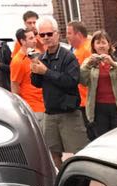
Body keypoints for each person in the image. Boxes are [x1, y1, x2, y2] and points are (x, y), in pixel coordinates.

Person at [29, 16, 87, 166]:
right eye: (42, 35)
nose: (46, 37)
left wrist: (46, 72)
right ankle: (62, 178)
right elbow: (37, 84)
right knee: (52, 154)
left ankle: (79, 180)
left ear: (57, 34)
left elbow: (71, 81)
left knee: (78, 155)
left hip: (69, 113)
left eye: (49, 34)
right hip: (50, 113)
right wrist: (34, 70)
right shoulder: (41, 57)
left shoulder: (68, 57)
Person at [80, 31, 117, 137]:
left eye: (104, 42)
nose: (101, 46)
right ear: (94, 46)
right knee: (103, 138)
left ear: (109, 45)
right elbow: (82, 80)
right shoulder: (89, 63)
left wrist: (113, 63)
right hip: (98, 108)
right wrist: (88, 64)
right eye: (98, 43)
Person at [10, 26, 45, 131]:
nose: (35, 40)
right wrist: (21, 109)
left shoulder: (37, 53)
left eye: (34, 37)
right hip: (33, 108)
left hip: (45, 104)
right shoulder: (18, 61)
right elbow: (15, 87)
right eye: (31, 38)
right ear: (22, 41)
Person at [66, 18, 90, 132]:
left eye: (69, 33)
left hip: (86, 100)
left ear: (79, 35)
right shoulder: (82, 48)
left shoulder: (84, 51)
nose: (67, 36)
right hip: (83, 99)